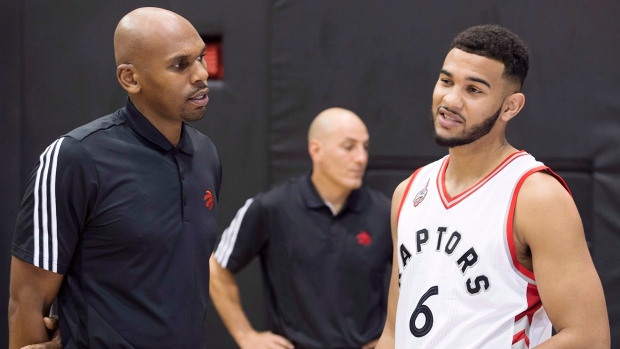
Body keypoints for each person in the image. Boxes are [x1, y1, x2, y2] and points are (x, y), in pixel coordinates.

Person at [375, 24, 610, 348]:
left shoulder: (536, 196)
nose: (451, 100)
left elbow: (589, 338)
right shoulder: (409, 192)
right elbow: (393, 332)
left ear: (511, 106)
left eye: (474, 90)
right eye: (446, 81)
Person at [9, 7, 221, 349]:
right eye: (180, 64)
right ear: (130, 79)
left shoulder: (206, 154)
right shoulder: (74, 157)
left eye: (201, 57)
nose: (201, 74)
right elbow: (27, 303)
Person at [210, 107, 392, 349]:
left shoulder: (385, 212)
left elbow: (417, 278)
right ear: (316, 150)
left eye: (365, 147)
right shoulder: (271, 207)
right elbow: (216, 268)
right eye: (349, 147)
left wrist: (392, 338)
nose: (361, 158)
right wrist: (246, 336)